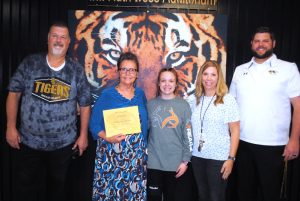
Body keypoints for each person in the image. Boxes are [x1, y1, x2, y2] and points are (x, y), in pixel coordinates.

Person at [6, 21, 91, 201]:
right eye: (55, 36)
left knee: (58, 192)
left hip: (63, 145)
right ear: (48, 39)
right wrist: (10, 127)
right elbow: (13, 94)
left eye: (63, 37)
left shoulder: (76, 70)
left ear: (69, 42)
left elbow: (85, 104)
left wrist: (83, 135)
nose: (58, 41)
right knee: (25, 191)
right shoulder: (31, 63)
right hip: (29, 142)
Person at [229, 26, 300, 201]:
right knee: (244, 193)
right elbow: (230, 106)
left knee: (271, 194)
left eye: (265, 41)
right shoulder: (240, 70)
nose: (261, 44)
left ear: (273, 43)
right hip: (242, 144)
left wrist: (294, 140)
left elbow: (298, 106)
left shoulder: (288, 68)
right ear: (252, 44)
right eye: (257, 41)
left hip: (274, 146)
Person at [89, 52, 148, 200]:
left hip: (136, 158)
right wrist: (107, 138)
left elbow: (145, 123)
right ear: (118, 71)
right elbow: (94, 124)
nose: (128, 73)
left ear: (137, 73)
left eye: (132, 70)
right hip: (112, 157)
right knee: (111, 194)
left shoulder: (141, 94)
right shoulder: (107, 95)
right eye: (124, 69)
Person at [189, 60, 240, 201]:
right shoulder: (193, 99)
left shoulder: (227, 100)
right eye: (205, 74)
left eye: (213, 74)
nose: (208, 78)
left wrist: (231, 159)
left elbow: (235, 131)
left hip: (219, 158)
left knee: (216, 197)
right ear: (200, 76)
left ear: (219, 77)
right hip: (198, 156)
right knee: (202, 195)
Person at [147, 68, 194, 201]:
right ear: (158, 83)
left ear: (176, 84)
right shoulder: (150, 105)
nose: (167, 84)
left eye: (171, 81)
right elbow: (144, 131)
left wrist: (186, 161)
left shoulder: (183, 106)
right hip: (154, 163)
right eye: (163, 81)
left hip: (177, 165)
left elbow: (188, 135)